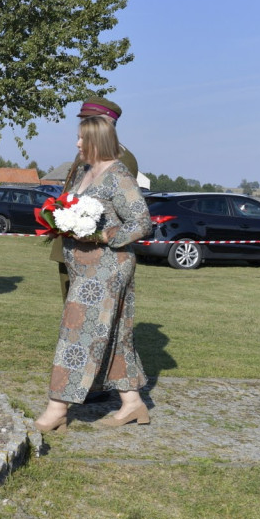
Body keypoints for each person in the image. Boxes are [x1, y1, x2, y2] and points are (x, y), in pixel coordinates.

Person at [34, 116, 152, 433]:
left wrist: (104, 236)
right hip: (83, 266)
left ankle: (57, 408)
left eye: (81, 138)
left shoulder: (118, 175)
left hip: (106, 268)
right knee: (115, 336)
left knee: (76, 333)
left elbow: (141, 221)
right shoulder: (86, 173)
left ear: (97, 140)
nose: (77, 144)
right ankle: (132, 403)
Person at [51, 95, 138, 301]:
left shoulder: (123, 159)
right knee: (70, 309)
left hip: (97, 249)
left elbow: (119, 209)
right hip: (70, 242)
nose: (83, 125)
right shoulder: (84, 152)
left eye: (89, 120)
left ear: (107, 124)